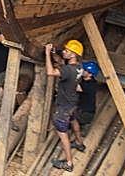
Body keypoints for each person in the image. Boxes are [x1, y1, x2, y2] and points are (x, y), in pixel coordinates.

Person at [45, 39, 88, 172]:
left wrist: (47, 53)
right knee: (73, 120)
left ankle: (69, 163)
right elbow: (63, 65)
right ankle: (80, 143)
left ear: (73, 55)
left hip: (63, 107)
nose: (64, 51)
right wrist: (54, 55)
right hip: (73, 102)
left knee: (63, 136)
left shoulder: (68, 70)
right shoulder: (79, 67)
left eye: (67, 51)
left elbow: (50, 72)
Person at [78, 61, 101, 130]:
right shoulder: (87, 80)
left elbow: (74, 87)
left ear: (90, 74)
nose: (82, 70)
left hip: (85, 113)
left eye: (85, 70)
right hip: (83, 110)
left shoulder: (90, 85)